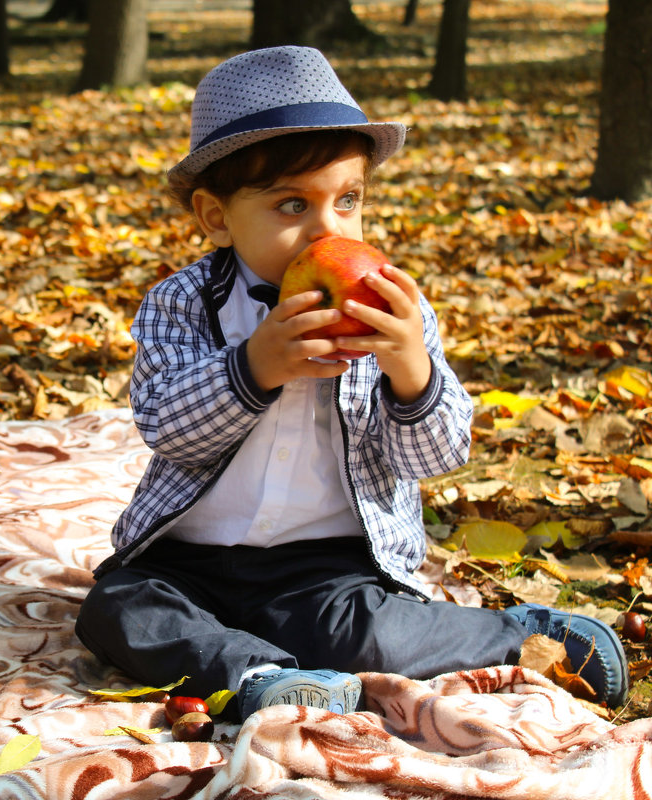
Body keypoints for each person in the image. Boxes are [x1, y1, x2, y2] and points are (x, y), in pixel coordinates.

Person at [74, 46, 628, 720]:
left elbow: (438, 455)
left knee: (368, 635)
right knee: (117, 611)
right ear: (216, 216)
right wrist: (254, 368)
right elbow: (166, 425)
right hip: (186, 561)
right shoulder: (182, 304)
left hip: (326, 569)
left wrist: (409, 370)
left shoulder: (391, 308)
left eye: (348, 200)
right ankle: (261, 676)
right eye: (290, 204)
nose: (327, 229)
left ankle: (528, 638)